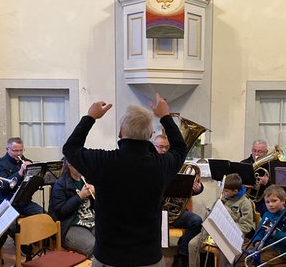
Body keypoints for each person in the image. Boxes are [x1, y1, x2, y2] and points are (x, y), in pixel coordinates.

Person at [62, 93, 187, 267]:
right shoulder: (161, 165)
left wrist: (90, 117)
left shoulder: (103, 162)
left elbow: (70, 148)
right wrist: (165, 116)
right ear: (150, 134)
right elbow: (181, 148)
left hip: (108, 257)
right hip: (148, 258)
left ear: (120, 133)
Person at [154, 134, 203, 267]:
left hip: (175, 211)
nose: (163, 150)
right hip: (155, 212)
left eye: (166, 147)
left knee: (197, 221)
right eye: (160, 147)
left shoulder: (175, 161)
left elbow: (192, 184)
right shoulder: (149, 164)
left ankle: (182, 252)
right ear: (153, 147)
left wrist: (197, 189)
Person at [188, 173, 254, 267]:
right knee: (192, 244)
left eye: (226, 191)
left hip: (229, 235)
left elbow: (246, 226)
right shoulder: (224, 197)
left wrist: (229, 226)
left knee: (223, 252)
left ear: (235, 191)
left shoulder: (245, 203)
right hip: (213, 231)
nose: (223, 193)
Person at [48, 157, 96, 257]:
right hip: (70, 225)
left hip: (91, 221)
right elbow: (61, 212)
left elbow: (99, 206)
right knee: (93, 247)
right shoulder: (60, 184)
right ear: (69, 165)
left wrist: (96, 193)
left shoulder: (88, 180)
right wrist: (79, 197)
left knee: (110, 242)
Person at [251, 185, 286, 265]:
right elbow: (259, 231)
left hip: (282, 252)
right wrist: (257, 241)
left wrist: (276, 234)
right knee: (239, 258)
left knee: (254, 262)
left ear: (283, 201)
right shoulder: (267, 214)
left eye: (274, 201)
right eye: (267, 202)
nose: (270, 205)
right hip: (265, 247)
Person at [0, 137, 43, 215]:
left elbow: (32, 188)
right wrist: (20, 172)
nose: (19, 153)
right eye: (15, 151)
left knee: (45, 218)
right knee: (11, 226)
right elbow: (4, 185)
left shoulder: (27, 162)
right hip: (5, 203)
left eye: (21, 150)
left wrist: (35, 175)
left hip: (24, 203)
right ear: (7, 149)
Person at [241, 140, 270, 215]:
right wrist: (242, 185)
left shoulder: (271, 166)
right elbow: (236, 181)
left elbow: (279, 187)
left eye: (260, 151)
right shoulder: (244, 163)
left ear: (266, 152)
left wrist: (267, 182)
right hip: (246, 199)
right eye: (254, 151)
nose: (256, 154)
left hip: (265, 200)